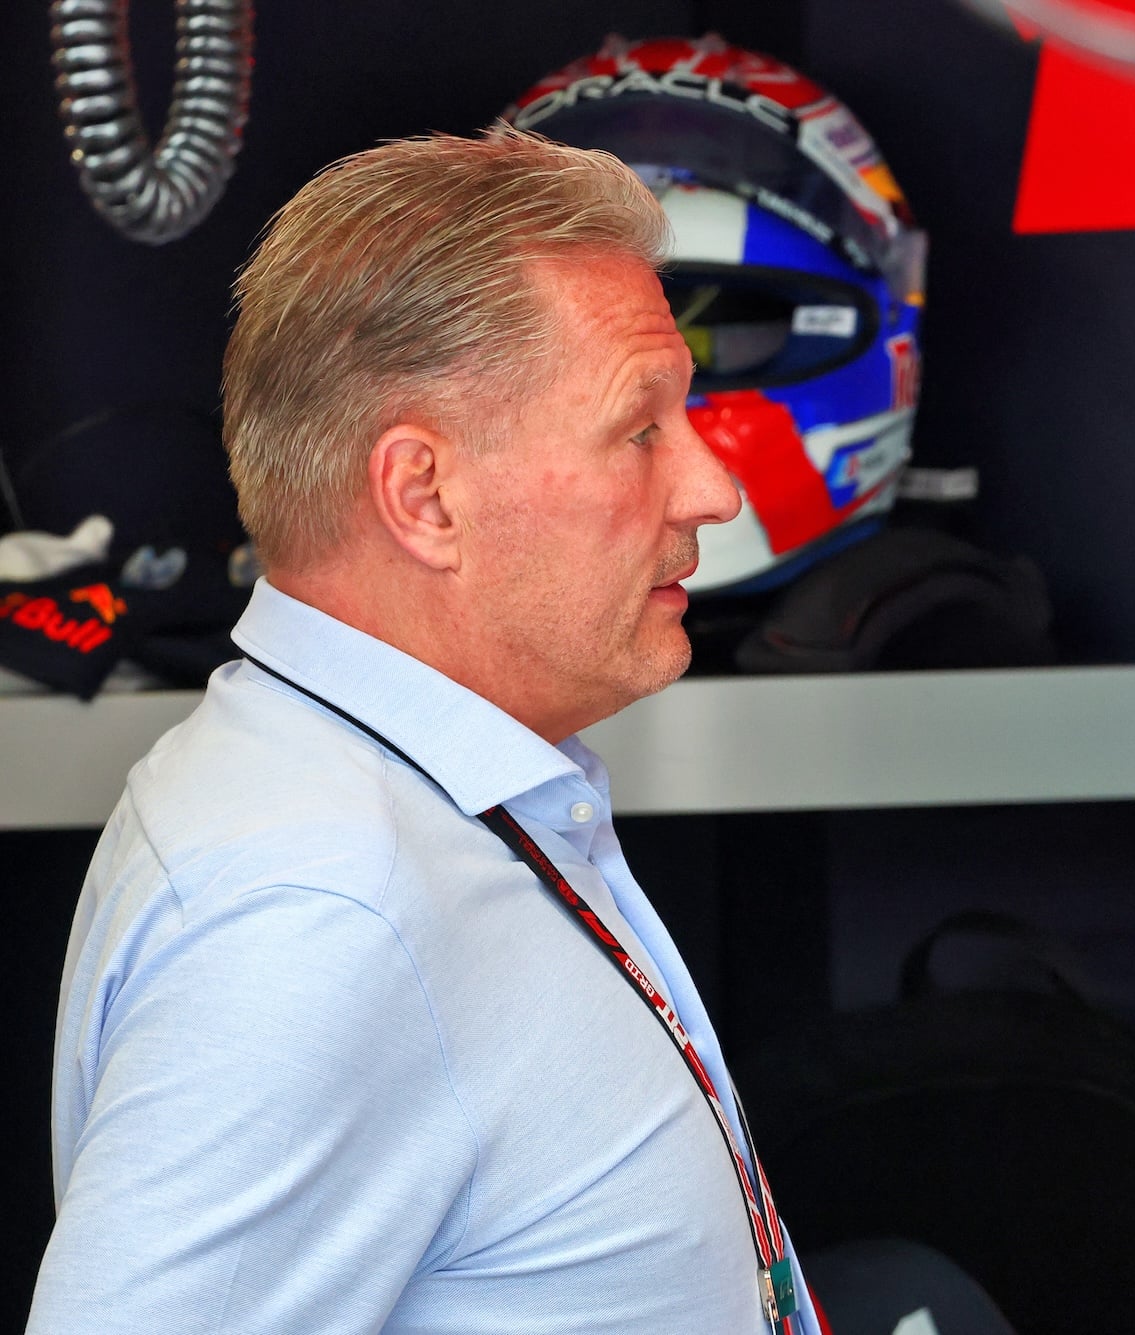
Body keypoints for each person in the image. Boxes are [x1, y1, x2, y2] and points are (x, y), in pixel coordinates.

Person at [28, 129, 826, 1333]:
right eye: (640, 430)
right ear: (424, 496)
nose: (712, 490)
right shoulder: (321, 907)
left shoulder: (395, 801)